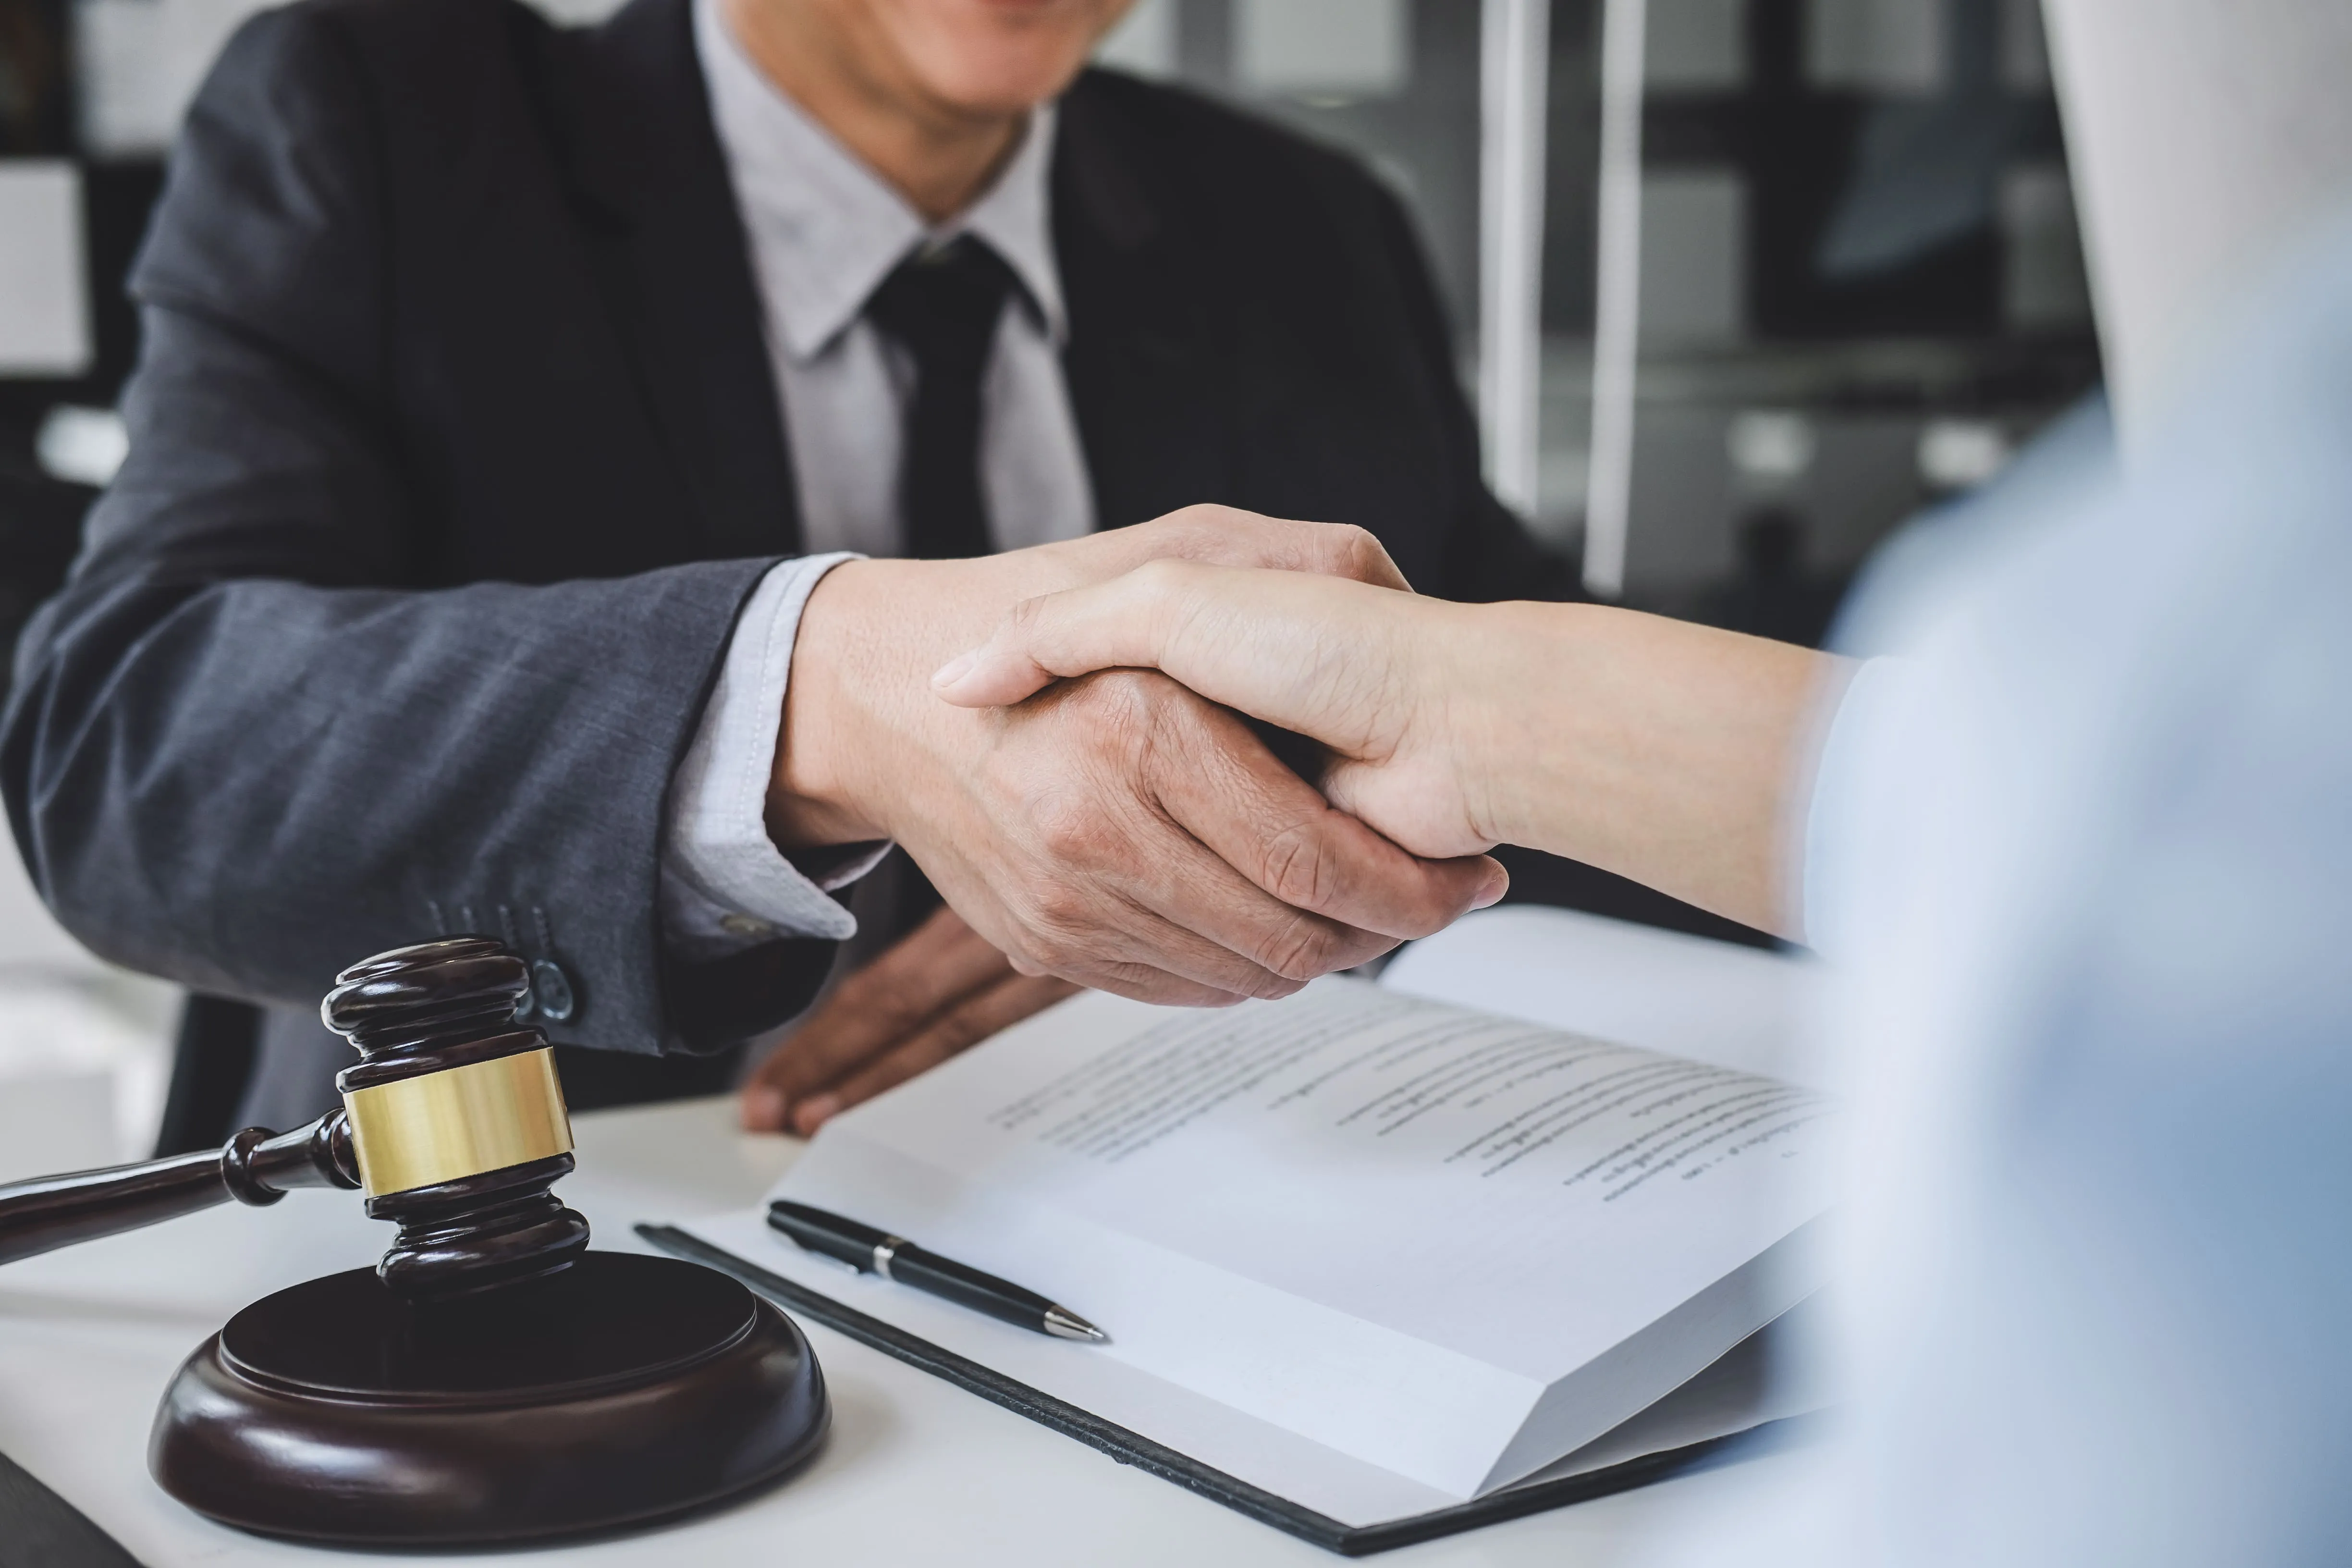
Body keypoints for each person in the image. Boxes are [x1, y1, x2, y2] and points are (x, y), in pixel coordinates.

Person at [0, 0, 1546, 1135]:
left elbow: (1513, 709)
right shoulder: (376, 119)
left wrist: (1226, 904)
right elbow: (132, 744)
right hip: (536, 1271)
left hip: (1164, 1252)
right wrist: (817, 693)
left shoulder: (1306, 227)